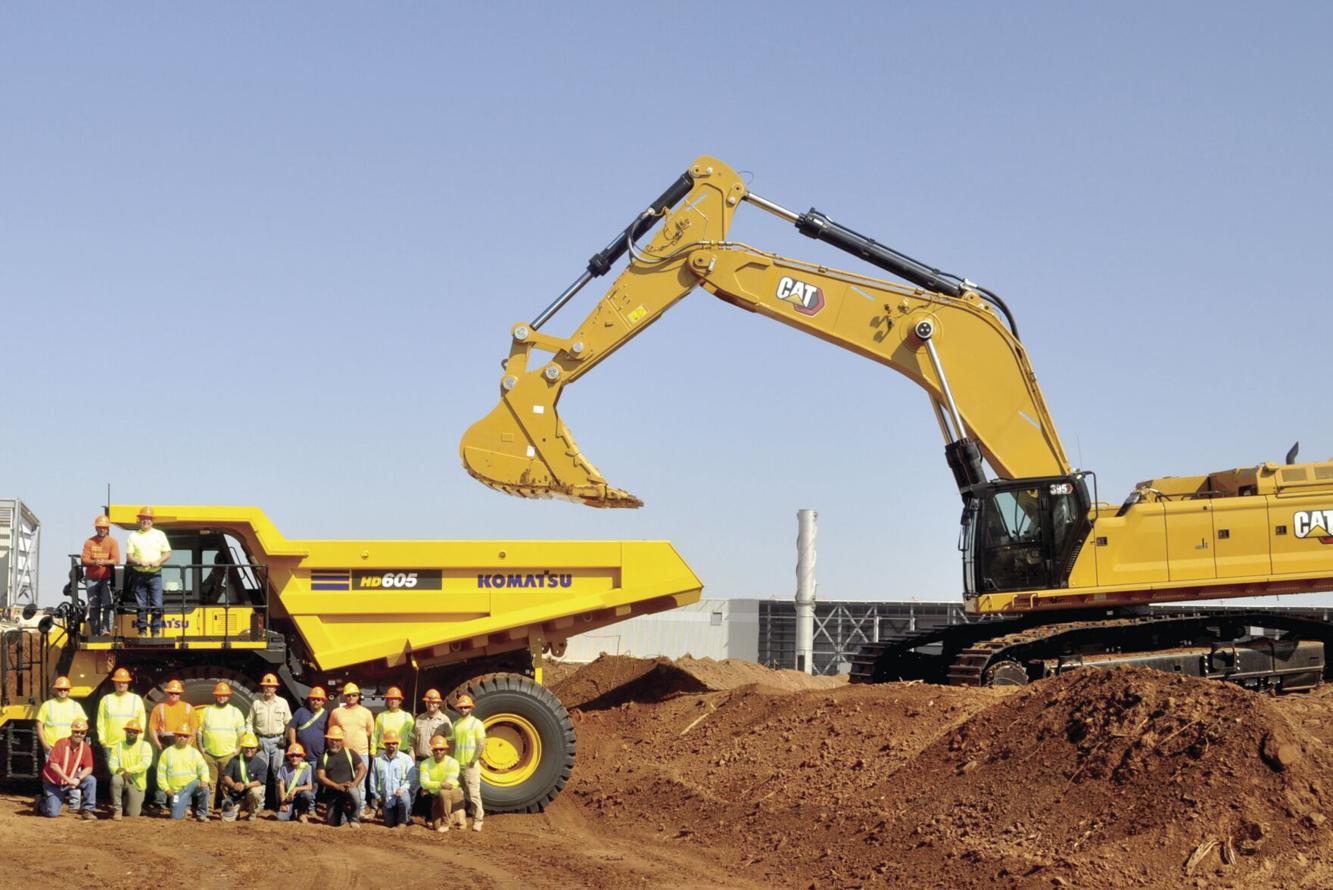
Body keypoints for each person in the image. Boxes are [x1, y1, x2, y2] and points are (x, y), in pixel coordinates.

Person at [196, 681, 246, 815]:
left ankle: (227, 811)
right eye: (219, 695)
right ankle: (208, 810)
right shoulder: (207, 711)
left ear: (229, 696)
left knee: (226, 784)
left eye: (224, 695)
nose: (222, 697)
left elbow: (242, 734)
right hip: (209, 754)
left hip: (228, 754)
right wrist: (201, 748)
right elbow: (199, 732)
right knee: (210, 784)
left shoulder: (235, 712)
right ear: (215, 695)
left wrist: (238, 749)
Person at [327, 682, 374, 818]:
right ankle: (342, 808)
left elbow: (370, 732)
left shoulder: (366, 712)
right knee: (342, 781)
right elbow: (332, 730)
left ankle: (359, 810)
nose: (351, 697)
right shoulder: (337, 712)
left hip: (361, 752)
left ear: (358, 696)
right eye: (348, 695)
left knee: (360, 784)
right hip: (343, 753)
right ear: (344, 696)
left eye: (354, 695)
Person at [147, 678, 195, 811]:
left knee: (183, 773)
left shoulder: (188, 708)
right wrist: (157, 744)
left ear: (180, 694)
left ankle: (185, 804)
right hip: (165, 742)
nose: (174, 695)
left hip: (182, 741)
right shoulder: (159, 708)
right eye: (172, 693)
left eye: (177, 693)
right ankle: (160, 803)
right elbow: (152, 728)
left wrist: (188, 744)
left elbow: (193, 729)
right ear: (167, 693)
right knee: (163, 772)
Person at [125, 505, 170, 637]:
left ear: (152, 521)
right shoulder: (133, 536)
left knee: (157, 604)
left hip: (155, 574)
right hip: (139, 574)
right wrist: (139, 562)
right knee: (141, 605)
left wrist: (159, 561)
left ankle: (155, 631)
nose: (146, 521)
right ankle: (142, 631)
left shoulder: (160, 534)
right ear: (139, 520)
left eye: (148, 518)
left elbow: (167, 553)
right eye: (143, 518)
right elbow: (129, 557)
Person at [39, 718, 96, 819]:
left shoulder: (86, 748)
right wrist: (69, 780)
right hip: (54, 782)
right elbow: (53, 765)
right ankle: (41, 803)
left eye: (82, 733)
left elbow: (89, 767)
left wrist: (78, 779)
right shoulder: (61, 744)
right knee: (52, 813)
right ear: (72, 731)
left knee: (91, 780)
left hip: (70, 779)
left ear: (85, 733)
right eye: (76, 732)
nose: (79, 735)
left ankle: (88, 810)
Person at [249, 672, 292, 809]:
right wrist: (253, 739)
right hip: (261, 741)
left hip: (277, 741)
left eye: (271, 686)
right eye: (265, 686)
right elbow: (249, 722)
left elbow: (288, 723)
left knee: (278, 773)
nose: (268, 688)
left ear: (275, 688)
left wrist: (285, 738)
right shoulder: (257, 703)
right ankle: (259, 805)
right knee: (260, 773)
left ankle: (279, 803)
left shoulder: (282, 703)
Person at [157, 723, 212, 821]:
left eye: (185, 736)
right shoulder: (167, 753)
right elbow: (161, 775)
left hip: (192, 786)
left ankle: (202, 814)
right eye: (179, 735)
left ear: (189, 738)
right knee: (176, 817)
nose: (182, 738)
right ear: (175, 736)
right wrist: (167, 789)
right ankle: (185, 808)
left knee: (205, 789)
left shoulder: (194, 752)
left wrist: (204, 780)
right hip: (176, 791)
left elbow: (203, 768)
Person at [316, 726, 365, 828]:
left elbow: (362, 768)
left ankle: (354, 819)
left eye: (337, 740)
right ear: (328, 740)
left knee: (355, 794)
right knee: (333, 823)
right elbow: (321, 777)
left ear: (341, 741)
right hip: (333, 792)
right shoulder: (323, 757)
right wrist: (337, 786)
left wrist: (354, 784)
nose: (334, 743)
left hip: (349, 789)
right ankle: (344, 813)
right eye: (331, 740)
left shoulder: (350, 753)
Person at [80, 515, 120, 635]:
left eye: (104, 527)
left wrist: (104, 562)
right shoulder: (89, 542)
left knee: (108, 604)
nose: (102, 529)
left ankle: (106, 631)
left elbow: (116, 560)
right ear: (96, 528)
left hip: (106, 578)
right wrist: (94, 562)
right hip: (91, 579)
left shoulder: (112, 542)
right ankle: (95, 632)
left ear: (107, 529)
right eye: (100, 527)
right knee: (94, 606)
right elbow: (84, 560)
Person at [452, 693, 486, 832]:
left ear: (471, 708)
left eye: (466, 707)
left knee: (474, 795)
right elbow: (453, 745)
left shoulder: (476, 723)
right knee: (458, 794)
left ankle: (478, 821)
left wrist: (473, 760)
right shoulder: (455, 724)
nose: (463, 709)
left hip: (470, 765)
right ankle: (460, 820)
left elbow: (481, 744)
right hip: (457, 765)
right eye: (461, 707)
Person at [416, 735, 464, 833]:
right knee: (436, 826)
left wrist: (431, 787)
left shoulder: (453, 762)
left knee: (444, 792)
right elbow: (424, 783)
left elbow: (449, 784)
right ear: (432, 750)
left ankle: (446, 823)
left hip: (453, 793)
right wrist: (439, 785)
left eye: (441, 749)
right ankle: (455, 816)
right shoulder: (425, 763)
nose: (438, 751)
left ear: (446, 750)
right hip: (437, 794)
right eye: (436, 749)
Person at [96, 667, 147, 757]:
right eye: (118, 682)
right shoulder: (106, 699)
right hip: (110, 745)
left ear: (128, 683)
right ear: (114, 683)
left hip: (131, 745)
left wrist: (139, 738)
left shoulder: (136, 699)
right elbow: (100, 721)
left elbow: (142, 721)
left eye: (124, 682)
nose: (121, 684)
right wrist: (102, 740)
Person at [108, 717, 153, 819]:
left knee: (132, 814)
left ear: (138, 733)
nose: (131, 733)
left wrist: (128, 770)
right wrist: (120, 772)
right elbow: (112, 764)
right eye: (129, 731)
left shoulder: (145, 746)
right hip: (123, 779)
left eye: (134, 731)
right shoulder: (118, 746)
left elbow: (145, 763)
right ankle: (117, 810)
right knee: (115, 779)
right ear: (125, 731)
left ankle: (127, 802)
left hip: (137, 784)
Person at [219, 733, 267, 821]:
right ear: (242, 748)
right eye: (246, 747)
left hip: (250, 796)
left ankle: (253, 812)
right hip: (235, 795)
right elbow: (226, 776)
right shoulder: (234, 760)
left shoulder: (261, 763)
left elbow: (260, 781)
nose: (249, 750)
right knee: (225, 819)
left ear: (256, 748)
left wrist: (244, 786)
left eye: (252, 748)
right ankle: (235, 810)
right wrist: (233, 785)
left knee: (255, 792)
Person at [374, 729, 415, 829]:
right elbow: (373, 780)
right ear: (384, 744)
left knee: (405, 799)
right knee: (389, 824)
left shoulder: (406, 758)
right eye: (388, 743)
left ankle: (402, 821)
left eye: (394, 743)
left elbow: (411, 777)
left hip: (401, 793)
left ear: (398, 744)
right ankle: (392, 816)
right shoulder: (377, 760)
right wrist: (377, 796)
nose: (391, 745)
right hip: (387, 797)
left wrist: (403, 788)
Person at [36, 676, 89, 754]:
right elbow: (39, 726)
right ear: (56, 690)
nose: (63, 691)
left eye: (65, 689)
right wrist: (45, 745)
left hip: (70, 746)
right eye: (60, 689)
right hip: (52, 746)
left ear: (69, 690)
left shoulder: (75, 705)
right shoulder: (47, 705)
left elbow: (84, 726)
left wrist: (78, 743)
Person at [287, 686, 328, 769]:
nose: (316, 701)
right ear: (309, 700)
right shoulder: (300, 711)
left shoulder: (326, 715)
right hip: (301, 757)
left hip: (318, 758)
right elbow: (292, 728)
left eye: (318, 699)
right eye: (313, 699)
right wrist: (293, 745)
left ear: (323, 701)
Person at [274, 743, 315, 823]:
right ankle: (291, 812)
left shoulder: (307, 767)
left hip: (300, 798)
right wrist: (283, 803)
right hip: (288, 799)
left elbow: (310, 786)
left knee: (308, 795)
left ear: (302, 757)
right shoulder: (284, 767)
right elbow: (281, 785)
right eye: (292, 756)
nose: (294, 758)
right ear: (288, 756)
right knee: (280, 818)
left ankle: (301, 812)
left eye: (298, 756)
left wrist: (296, 789)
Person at [412, 689, 451, 761]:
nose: (430, 704)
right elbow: (412, 742)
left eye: (434, 702)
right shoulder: (419, 719)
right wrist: (412, 760)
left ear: (439, 704)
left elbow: (450, 743)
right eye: (428, 702)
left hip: (436, 761)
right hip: (419, 761)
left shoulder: (444, 720)